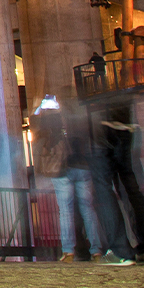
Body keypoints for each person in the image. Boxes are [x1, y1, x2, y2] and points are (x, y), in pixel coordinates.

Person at [91, 97, 144, 265]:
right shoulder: (123, 77)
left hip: (105, 127)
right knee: (132, 187)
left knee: (103, 188)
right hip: (129, 128)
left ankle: (120, 250)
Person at [35, 105, 102, 260]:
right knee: (88, 209)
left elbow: (41, 154)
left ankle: (68, 251)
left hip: (62, 171)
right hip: (82, 167)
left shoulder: (49, 133)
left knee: (66, 211)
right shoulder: (76, 124)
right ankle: (96, 250)